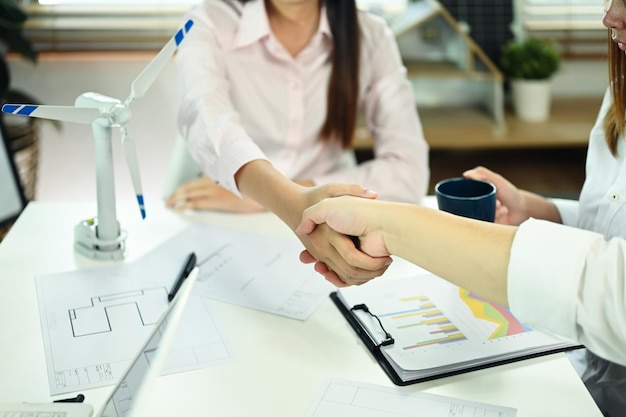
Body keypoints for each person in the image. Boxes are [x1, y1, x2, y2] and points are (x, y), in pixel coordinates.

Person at [296, 2, 626, 415]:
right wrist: (539, 211)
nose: (610, 17)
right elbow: (612, 232)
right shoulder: (621, 84)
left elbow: (615, 290)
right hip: (580, 373)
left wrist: (392, 228)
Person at [169, 0, 429, 213]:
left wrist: (277, 195)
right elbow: (207, 116)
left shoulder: (371, 35)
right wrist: (283, 196)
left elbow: (409, 172)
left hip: (327, 213)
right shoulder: (209, 21)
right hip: (224, 209)